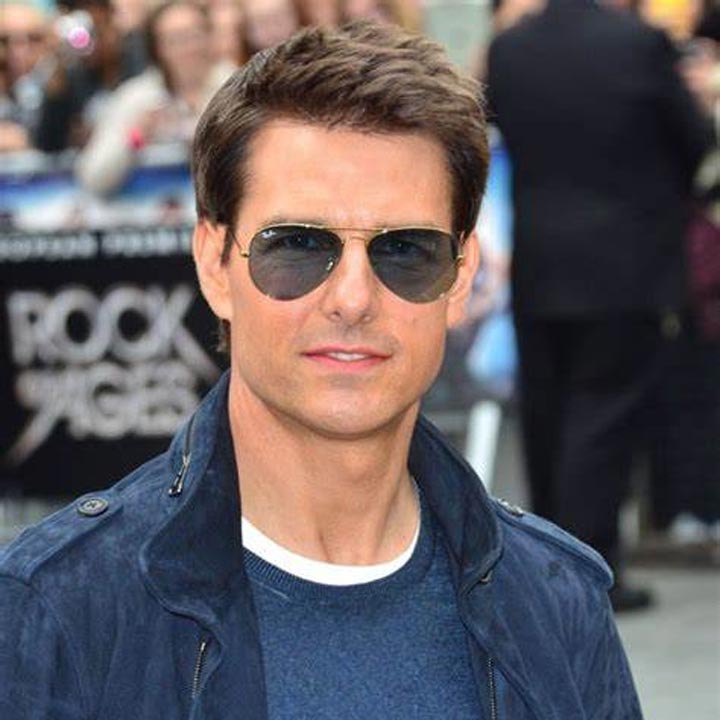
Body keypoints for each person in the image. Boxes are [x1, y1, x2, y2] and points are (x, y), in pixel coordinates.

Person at [0, 21, 642, 718]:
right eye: (298, 246)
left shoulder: (558, 600)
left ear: (461, 278)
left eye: (406, 251)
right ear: (215, 264)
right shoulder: (62, 607)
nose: (353, 299)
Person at [486, 0, 712, 611]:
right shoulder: (638, 43)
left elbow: (498, 135)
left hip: (539, 260)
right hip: (626, 261)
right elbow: (695, 139)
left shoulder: (511, 48)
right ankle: (586, 574)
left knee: (546, 418)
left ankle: (543, 564)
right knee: (604, 419)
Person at [75, 0, 235, 194]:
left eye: (194, 35)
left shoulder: (235, 88)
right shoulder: (137, 96)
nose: (187, 48)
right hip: (149, 208)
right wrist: (136, 138)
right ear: (158, 48)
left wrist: (204, 144)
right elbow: (92, 178)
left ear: (210, 36)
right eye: (174, 39)